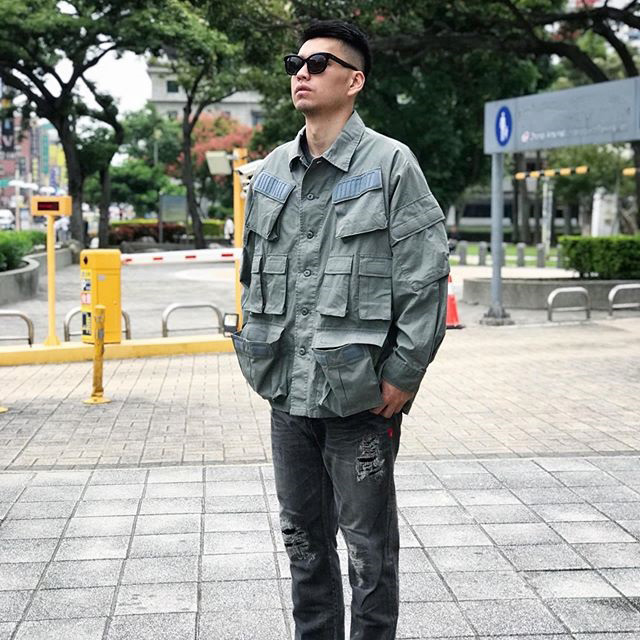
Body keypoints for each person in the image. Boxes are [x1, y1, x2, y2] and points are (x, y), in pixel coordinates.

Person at [232, 19, 449, 639]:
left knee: (368, 553)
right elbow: (253, 272)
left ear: (354, 81)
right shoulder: (272, 171)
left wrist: (404, 373)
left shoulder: (390, 164)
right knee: (302, 543)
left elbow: (425, 276)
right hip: (288, 394)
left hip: (361, 396)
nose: (301, 73)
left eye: (318, 63)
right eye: (295, 64)